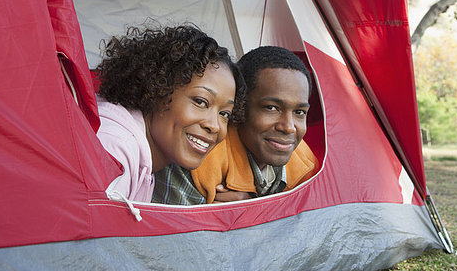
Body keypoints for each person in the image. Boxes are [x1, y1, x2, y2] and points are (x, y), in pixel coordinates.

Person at [95, 24, 245, 203]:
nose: (214, 125)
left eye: (225, 114)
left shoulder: (143, 155)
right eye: (200, 102)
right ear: (157, 88)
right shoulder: (116, 151)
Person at [152, 46, 319, 205]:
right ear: (239, 107)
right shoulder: (195, 159)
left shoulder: (307, 166)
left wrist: (248, 216)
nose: (289, 127)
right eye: (271, 108)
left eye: (299, 112)